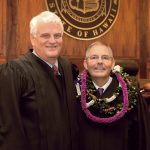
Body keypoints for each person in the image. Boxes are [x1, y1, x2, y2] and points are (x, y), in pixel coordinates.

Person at [0, 11, 78, 150]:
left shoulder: (66, 67)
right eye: (45, 36)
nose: (53, 41)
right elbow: (10, 127)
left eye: (57, 35)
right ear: (33, 38)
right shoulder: (15, 72)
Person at [75, 41, 150, 150]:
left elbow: (142, 138)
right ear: (85, 63)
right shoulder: (75, 94)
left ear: (113, 63)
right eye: (94, 57)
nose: (100, 62)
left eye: (105, 57)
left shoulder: (131, 95)